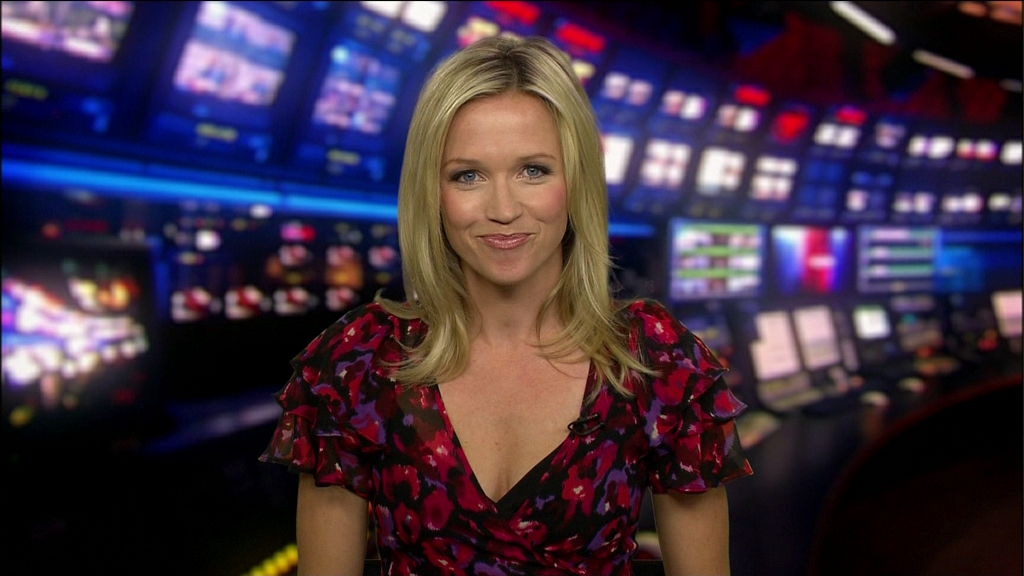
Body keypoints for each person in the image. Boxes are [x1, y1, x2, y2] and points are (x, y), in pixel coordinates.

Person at [259, 35, 752, 576]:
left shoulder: (656, 359)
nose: (503, 208)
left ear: (576, 182)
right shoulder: (358, 362)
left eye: (533, 170)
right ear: (432, 193)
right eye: (467, 175)